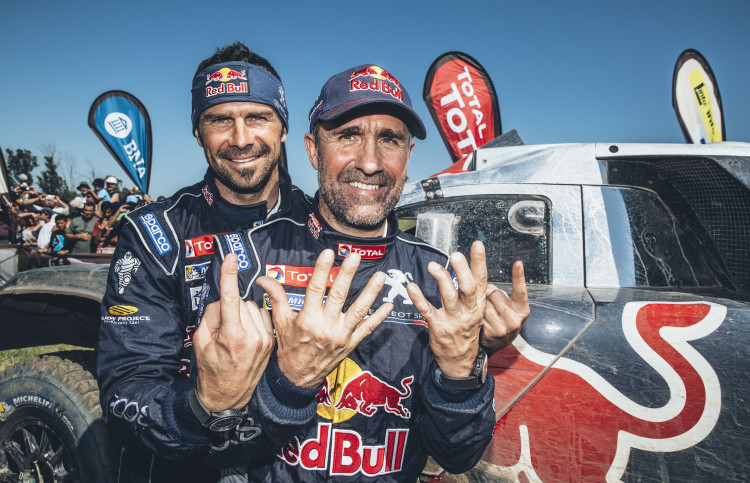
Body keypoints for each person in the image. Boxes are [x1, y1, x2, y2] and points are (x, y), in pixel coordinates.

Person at [193, 64, 524, 481]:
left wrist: (461, 371)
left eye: (390, 139)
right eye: (348, 136)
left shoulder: (439, 278)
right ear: (313, 150)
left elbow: (457, 456)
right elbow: (211, 448)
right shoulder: (244, 259)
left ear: (408, 156)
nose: (370, 162)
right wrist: (290, 381)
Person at [96, 41, 312, 481]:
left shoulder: (322, 226)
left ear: (283, 127)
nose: (240, 138)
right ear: (198, 132)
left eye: (257, 117)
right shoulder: (154, 233)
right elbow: (124, 390)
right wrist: (207, 403)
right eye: (219, 120)